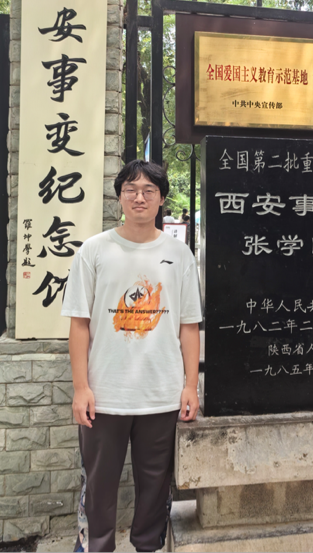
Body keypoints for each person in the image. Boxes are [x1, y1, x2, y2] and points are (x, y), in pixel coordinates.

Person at [62, 160, 202, 553]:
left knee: (155, 485)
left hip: (161, 394)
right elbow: (79, 324)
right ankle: (95, 546)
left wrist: (190, 385)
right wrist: (81, 388)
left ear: (161, 199)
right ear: (119, 197)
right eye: (130, 190)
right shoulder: (94, 251)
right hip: (104, 396)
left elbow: (189, 326)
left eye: (148, 190)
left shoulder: (179, 254)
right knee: (98, 485)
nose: (139, 197)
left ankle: (147, 546)